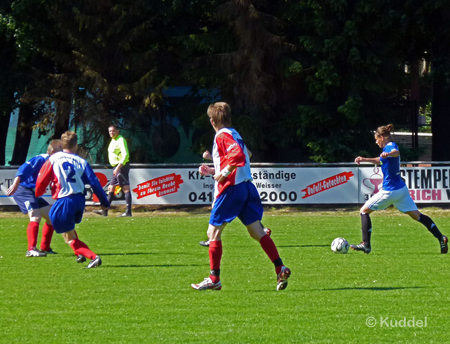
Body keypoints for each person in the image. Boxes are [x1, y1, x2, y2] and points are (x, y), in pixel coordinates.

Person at [191, 102, 291, 291]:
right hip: (247, 187)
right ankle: (280, 267)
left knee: (212, 233)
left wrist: (225, 172)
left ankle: (214, 279)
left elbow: (237, 156)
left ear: (212, 121)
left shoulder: (222, 135)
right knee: (256, 232)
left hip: (231, 189)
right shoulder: (235, 134)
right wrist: (215, 170)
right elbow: (246, 155)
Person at [351, 123, 448, 254]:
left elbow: (396, 153)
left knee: (364, 211)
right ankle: (440, 237)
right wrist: (364, 159)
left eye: (376, 138)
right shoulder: (386, 150)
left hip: (390, 190)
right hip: (401, 190)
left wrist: (389, 153)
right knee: (417, 216)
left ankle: (365, 245)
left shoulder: (390, 146)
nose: (375, 141)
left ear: (382, 137)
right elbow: (380, 160)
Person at [35, 131, 110, 268]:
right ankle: (79, 254)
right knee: (66, 229)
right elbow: (94, 183)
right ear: (76, 145)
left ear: (62, 144)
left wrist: (38, 193)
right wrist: (104, 203)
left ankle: (93, 257)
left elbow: (41, 180)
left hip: (64, 200)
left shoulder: (53, 158)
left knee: (68, 237)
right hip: (79, 200)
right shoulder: (81, 161)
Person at [6, 140, 63, 257]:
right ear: (52, 152)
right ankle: (31, 250)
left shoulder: (54, 162)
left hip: (33, 193)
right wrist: (15, 184)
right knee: (35, 216)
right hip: (23, 190)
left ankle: (45, 248)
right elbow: (23, 168)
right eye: (60, 151)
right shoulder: (41, 159)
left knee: (51, 217)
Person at [94, 124, 132, 217]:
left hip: (121, 167)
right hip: (116, 167)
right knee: (111, 188)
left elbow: (125, 155)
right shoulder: (113, 141)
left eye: (113, 131)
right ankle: (105, 210)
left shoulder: (121, 140)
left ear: (118, 131)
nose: (111, 133)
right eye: (110, 131)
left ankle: (128, 212)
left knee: (125, 188)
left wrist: (119, 167)